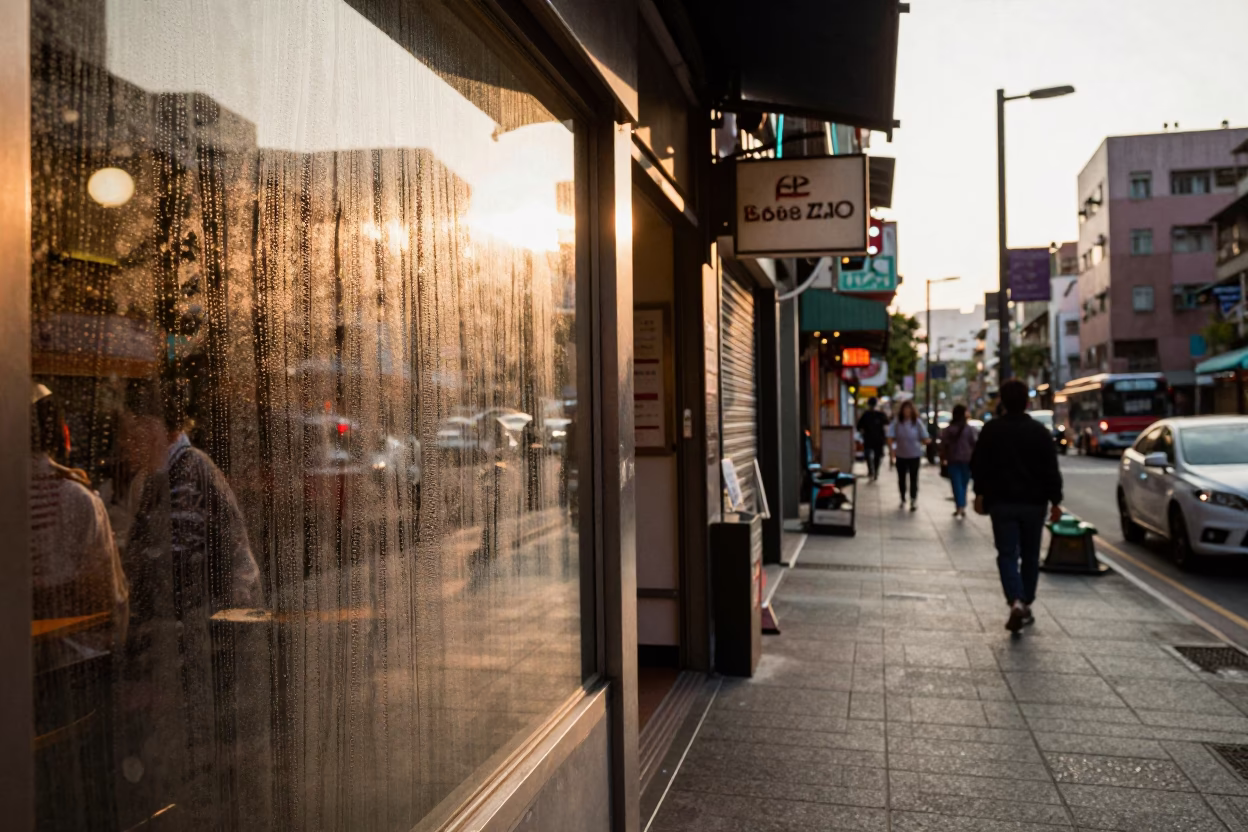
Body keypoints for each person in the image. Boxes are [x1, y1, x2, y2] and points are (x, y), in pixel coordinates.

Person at [971, 379, 1064, 633]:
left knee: (1007, 553)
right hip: (1034, 504)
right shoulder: (1039, 432)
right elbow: (1050, 470)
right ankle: (1025, 601)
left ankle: (1015, 600)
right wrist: (1056, 501)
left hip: (1001, 503)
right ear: (1026, 402)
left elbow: (978, 465)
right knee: (1031, 555)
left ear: (1002, 400)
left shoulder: (991, 430)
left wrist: (979, 493)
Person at [940, 404, 978, 519]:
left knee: (956, 483)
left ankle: (959, 506)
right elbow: (974, 443)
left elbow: (943, 445)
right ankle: (961, 505)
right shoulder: (969, 429)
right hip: (966, 460)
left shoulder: (948, 429)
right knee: (963, 484)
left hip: (953, 459)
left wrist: (943, 458)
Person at [890, 400, 925, 511]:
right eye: (905, 410)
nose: (907, 412)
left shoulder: (917, 422)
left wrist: (924, 442)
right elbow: (890, 437)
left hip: (914, 455)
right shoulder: (897, 422)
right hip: (901, 455)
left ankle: (913, 499)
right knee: (901, 478)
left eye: (909, 410)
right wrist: (892, 453)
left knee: (914, 478)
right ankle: (902, 497)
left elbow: (924, 436)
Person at [856, 397, 888, 482]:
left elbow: (859, 427)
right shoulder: (869, 414)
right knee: (871, 456)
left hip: (875, 439)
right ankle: (872, 471)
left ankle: (873, 471)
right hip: (872, 439)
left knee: (874, 456)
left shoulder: (876, 414)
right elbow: (859, 427)